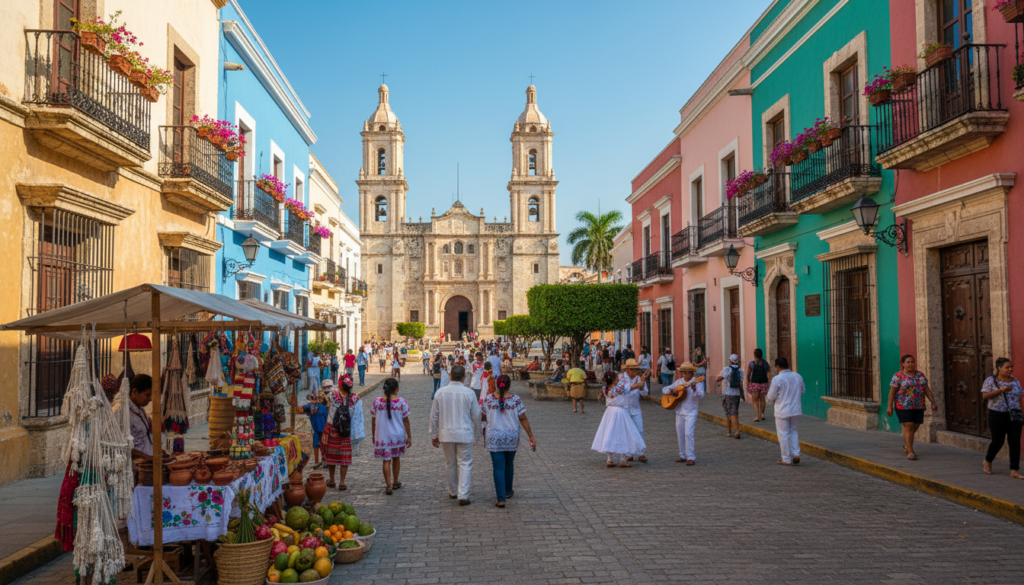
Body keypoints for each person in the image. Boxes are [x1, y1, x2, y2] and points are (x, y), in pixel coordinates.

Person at [429, 365, 482, 505]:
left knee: (450, 462)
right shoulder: (469, 393)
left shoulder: (440, 392)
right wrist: (477, 434)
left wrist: (434, 434)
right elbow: (476, 415)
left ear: (450, 376)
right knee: (464, 463)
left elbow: (434, 416)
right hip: (464, 433)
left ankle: (453, 491)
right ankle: (463, 495)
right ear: (464, 377)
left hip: (446, 433)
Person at [482, 375, 536, 507]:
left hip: (494, 437)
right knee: (509, 464)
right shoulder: (516, 400)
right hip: (511, 437)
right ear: (509, 385)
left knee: (498, 467)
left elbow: (483, 416)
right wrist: (531, 436)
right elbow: (522, 418)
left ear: (496, 384)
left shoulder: (488, 400)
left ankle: (501, 499)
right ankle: (507, 491)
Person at [886, 355, 939, 460]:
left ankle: (907, 445)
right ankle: (910, 451)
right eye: (908, 362)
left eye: (912, 362)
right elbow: (892, 392)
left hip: (918, 405)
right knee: (909, 426)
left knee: (915, 426)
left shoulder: (920, 375)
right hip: (902, 405)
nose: (910, 364)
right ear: (903, 364)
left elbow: (926, 389)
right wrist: (889, 406)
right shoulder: (898, 376)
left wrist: (933, 402)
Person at [592, 370, 647, 467]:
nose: (619, 378)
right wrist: (640, 383)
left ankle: (609, 459)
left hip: (609, 411)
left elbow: (629, 388)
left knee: (610, 434)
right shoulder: (619, 388)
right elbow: (629, 387)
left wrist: (636, 384)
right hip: (620, 412)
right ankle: (622, 459)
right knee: (623, 434)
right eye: (617, 377)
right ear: (614, 380)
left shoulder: (605, 387)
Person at [980, 358, 1023, 478]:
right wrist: (1001, 390)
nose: (1010, 369)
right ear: (999, 368)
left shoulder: (1015, 381)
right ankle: (988, 462)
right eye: (1007, 367)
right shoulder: (991, 381)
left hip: (1014, 415)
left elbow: (1020, 397)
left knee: (1014, 442)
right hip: (997, 415)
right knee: (998, 441)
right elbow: (985, 396)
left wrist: (1022, 413)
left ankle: (1014, 470)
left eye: (1011, 367)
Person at [371, 378, 412, 495]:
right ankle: (395, 482)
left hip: (382, 436)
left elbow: (373, 421)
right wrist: (409, 436)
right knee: (396, 458)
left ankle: (388, 485)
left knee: (386, 460)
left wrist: (374, 435)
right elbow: (406, 421)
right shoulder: (401, 402)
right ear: (397, 389)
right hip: (397, 436)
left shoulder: (377, 402)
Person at [322, 376, 364, 489]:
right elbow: (358, 417)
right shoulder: (355, 398)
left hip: (333, 429)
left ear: (340, 385)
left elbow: (323, 403)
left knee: (331, 455)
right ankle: (342, 482)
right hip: (346, 431)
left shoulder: (332, 396)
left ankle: (331, 480)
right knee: (344, 457)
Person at [662, 363, 705, 465]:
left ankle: (691, 456)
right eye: (683, 373)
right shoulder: (679, 382)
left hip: (691, 411)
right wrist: (671, 391)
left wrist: (695, 390)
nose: (685, 375)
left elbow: (701, 395)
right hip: (680, 411)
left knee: (688, 433)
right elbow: (664, 389)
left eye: (687, 373)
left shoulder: (697, 382)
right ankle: (682, 455)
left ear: (692, 373)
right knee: (680, 434)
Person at [766, 357, 804, 465]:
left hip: (782, 410)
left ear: (777, 367)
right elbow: (802, 390)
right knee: (793, 430)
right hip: (795, 409)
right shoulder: (798, 376)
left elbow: (771, 395)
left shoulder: (777, 379)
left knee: (783, 434)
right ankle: (796, 453)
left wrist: (767, 399)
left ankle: (786, 459)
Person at [620, 359, 650, 462]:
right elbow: (622, 391)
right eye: (634, 370)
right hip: (624, 409)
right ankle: (629, 453)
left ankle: (641, 453)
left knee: (639, 431)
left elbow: (645, 393)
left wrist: (642, 384)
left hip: (636, 409)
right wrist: (636, 385)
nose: (636, 372)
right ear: (628, 370)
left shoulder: (639, 378)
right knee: (627, 432)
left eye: (637, 370)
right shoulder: (621, 378)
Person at [127, 374, 155, 462]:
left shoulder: (140, 409)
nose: (150, 399)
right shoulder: (124, 413)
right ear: (135, 392)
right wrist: (146, 457)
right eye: (147, 395)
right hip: (136, 467)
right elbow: (123, 445)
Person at [715, 354, 744, 439]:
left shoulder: (727, 369)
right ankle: (729, 431)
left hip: (728, 393)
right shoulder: (740, 370)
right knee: (732, 411)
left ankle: (736, 431)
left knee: (731, 412)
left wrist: (717, 380)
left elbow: (718, 379)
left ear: (730, 361)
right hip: (737, 394)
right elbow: (741, 382)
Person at [302, 393, 328, 468]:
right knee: (320, 444)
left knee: (317, 444)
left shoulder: (314, 406)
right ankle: (323, 461)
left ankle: (319, 461)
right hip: (319, 428)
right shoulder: (320, 406)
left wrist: (309, 403)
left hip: (318, 428)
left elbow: (303, 407)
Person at [747, 349, 771, 422]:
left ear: (755, 355)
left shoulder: (751, 364)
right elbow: (769, 374)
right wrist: (769, 384)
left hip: (754, 383)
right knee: (763, 399)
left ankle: (758, 416)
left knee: (755, 400)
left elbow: (748, 375)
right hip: (764, 383)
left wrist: (748, 383)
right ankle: (762, 414)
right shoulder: (766, 363)